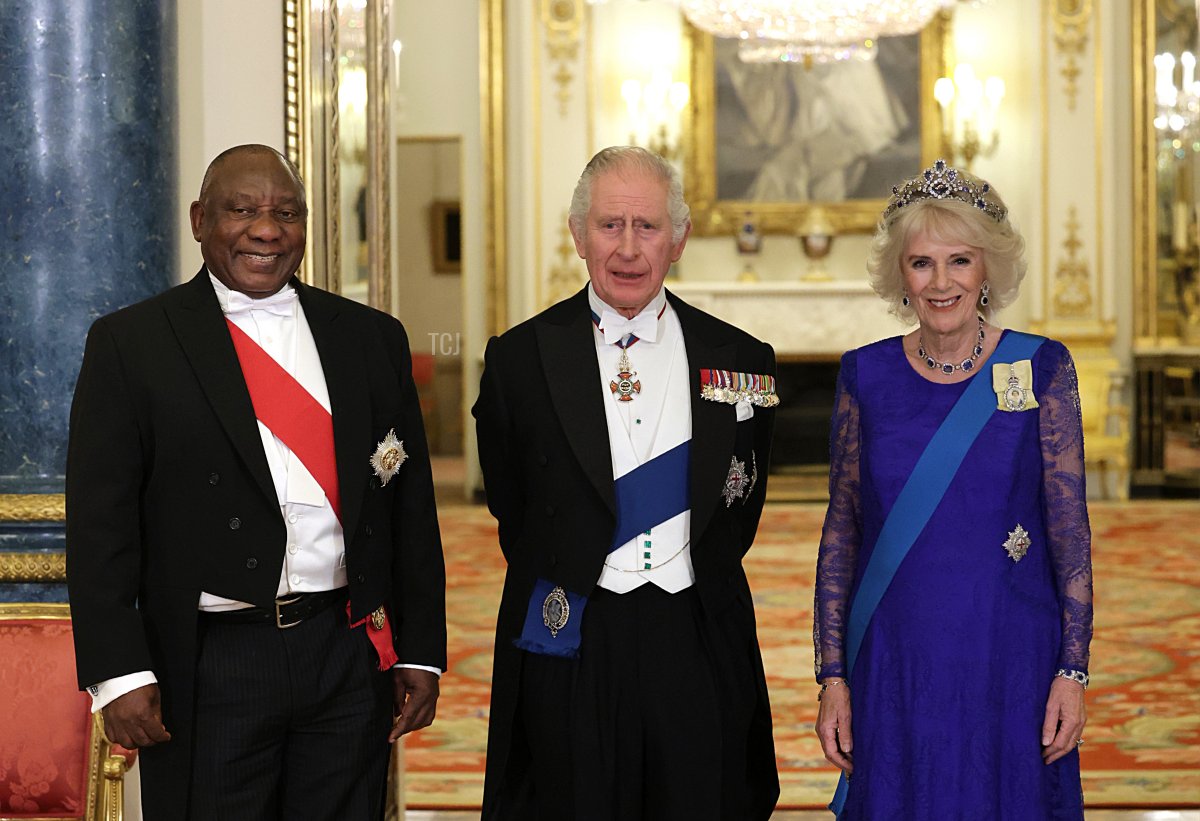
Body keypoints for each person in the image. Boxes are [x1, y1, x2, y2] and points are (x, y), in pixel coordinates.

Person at [65, 144, 447, 820]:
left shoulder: (369, 337)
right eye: (242, 210)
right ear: (199, 220)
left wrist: (420, 650)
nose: (266, 229)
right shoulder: (133, 343)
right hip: (213, 661)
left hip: (345, 648)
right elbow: (101, 525)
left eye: (286, 212)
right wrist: (119, 672)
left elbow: (408, 512)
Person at [473, 146, 780, 820]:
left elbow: (740, 504)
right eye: (610, 225)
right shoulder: (520, 359)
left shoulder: (741, 360)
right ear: (578, 233)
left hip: (694, 627)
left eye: (648, 226)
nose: (629, 248)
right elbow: (513, 502)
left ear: (679, 238)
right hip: (574, 630)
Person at [812, 159, 1093, 819]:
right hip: (897, 658)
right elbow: (842, 531)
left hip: (1010, 658)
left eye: (960, 261)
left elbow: (1070, 533)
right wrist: (832, 676)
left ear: (988, 268)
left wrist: (1071, 671)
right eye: (921, 263)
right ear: (899, 275)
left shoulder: (1040, 367)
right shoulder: (865, 375)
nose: (941, 283)